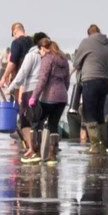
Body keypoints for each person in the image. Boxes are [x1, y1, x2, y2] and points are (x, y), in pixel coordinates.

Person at [70, 23, 108, 154]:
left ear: (89, 34)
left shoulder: (86, 43)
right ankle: (103, 145)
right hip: (104, 81)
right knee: (99, 113)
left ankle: (95, 145)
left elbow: (76, 63)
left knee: (89, 113)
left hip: (89, 81)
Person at [27, 38, 71, 166]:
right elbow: (67, 80)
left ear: (43, 48)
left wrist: (34, 96)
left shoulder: (47, 58)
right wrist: (63, 92)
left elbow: (42, 80)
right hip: (62, 97)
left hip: (49, 97)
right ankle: (52, 154)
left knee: (36, 122)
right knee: (53, 125)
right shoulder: (64, 59)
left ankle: (36, 152)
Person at [9, 32, 48, 160]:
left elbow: (23, 73)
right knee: (40, 121)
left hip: (31, 90)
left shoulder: (31, 55)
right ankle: (40, 149)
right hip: (45, 92)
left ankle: (32, 149)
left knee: (26, 120)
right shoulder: (51, 55)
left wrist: (11, 87)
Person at [0, 22, 30, 96]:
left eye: (13, 35)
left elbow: (12, 63)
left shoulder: (16, 42)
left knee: (18, 104)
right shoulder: (32, 42)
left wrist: (4, 77)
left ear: (14, 32)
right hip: (32, 81)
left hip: (20, 80)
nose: (14, 37)